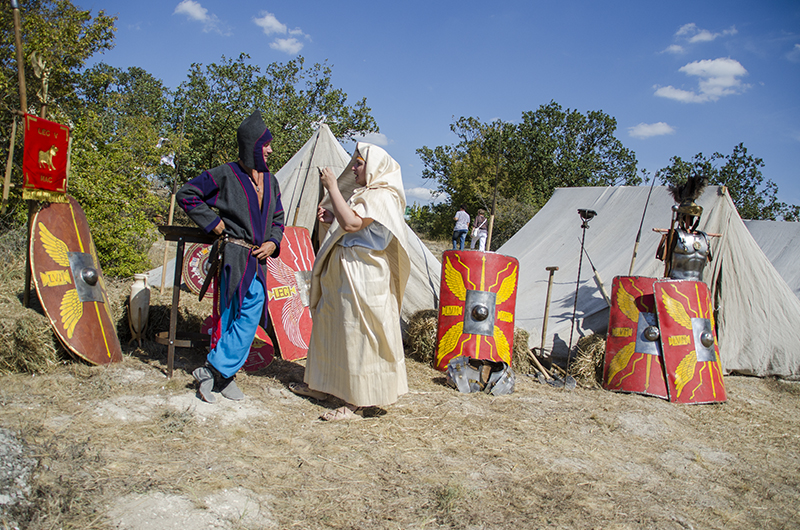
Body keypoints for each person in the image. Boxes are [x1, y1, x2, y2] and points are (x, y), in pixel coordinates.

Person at [292, 143, 411, 421]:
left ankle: (357, 401)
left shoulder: (382, 196)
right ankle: (322, 385)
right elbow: (349, 223)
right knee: (332, 328)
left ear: (375, 167)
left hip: (364, 274)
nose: (354, 168)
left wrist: (333, 188)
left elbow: (353, 226)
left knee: (358, 336)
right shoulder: (367, 195)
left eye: (359, 163)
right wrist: (333, 217)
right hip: (345, 271)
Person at [176, 110, 284, 403]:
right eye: (266, 144)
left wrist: (274, 242)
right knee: (230, 315)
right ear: (251, 145)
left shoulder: (271, 181)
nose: (271, 150)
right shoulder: (225, 174)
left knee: (251, 314)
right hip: (234, 255)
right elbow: (187, 195)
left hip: (258, 260)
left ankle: (214, 371)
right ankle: (224, 377)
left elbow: (277, 217)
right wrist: (215, 224)